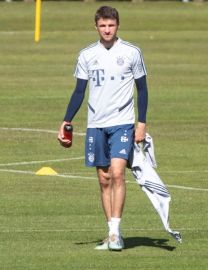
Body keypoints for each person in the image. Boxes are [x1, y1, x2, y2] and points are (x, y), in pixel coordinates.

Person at [57, 6, 149, 251]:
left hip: (123, 123)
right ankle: (110, 233)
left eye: (111, 25)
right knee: (103, 178)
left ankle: (116, 233)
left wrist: (141, 123)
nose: (107, 30)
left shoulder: (131, 52)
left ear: (117, 25)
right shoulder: (87, 54)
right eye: (103, 26)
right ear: (96, 27)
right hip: (96, 124)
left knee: (118, 173)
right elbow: (79, 91)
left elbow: (143, 89)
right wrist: (66, 120)